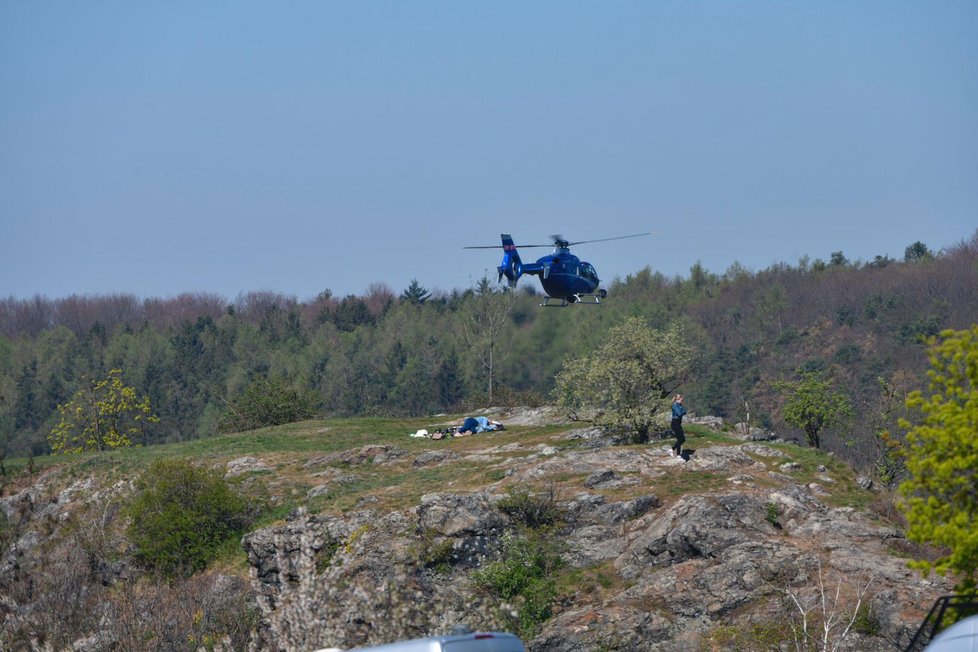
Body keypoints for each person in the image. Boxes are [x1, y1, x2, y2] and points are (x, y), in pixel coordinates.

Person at [670, 394, 687, 459]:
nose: (682, 402)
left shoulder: (679, 405)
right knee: (682, 439)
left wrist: (683, 411)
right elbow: (679, 413)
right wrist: (682, 412)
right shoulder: (675, 405)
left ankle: (678, 455)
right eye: (681, 400)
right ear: (678, 399)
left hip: (678, 423)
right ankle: (672, 449)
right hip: (675, 423)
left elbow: (684, 412)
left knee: (680, 439)